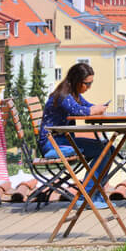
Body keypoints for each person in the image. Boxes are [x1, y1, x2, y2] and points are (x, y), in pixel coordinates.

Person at [40, 63, 109, 209]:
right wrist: (95, 110)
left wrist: (97, 108)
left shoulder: (73, 95)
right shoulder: (63, 97)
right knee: (105, 150)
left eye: (91, 83)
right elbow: (81, 112)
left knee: (108, 148)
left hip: (63, 139)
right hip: (53, 143)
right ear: (77, 80)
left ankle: (93, 193)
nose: (89, 87)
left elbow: (88, 107)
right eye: (87, 84)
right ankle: (87, 195)